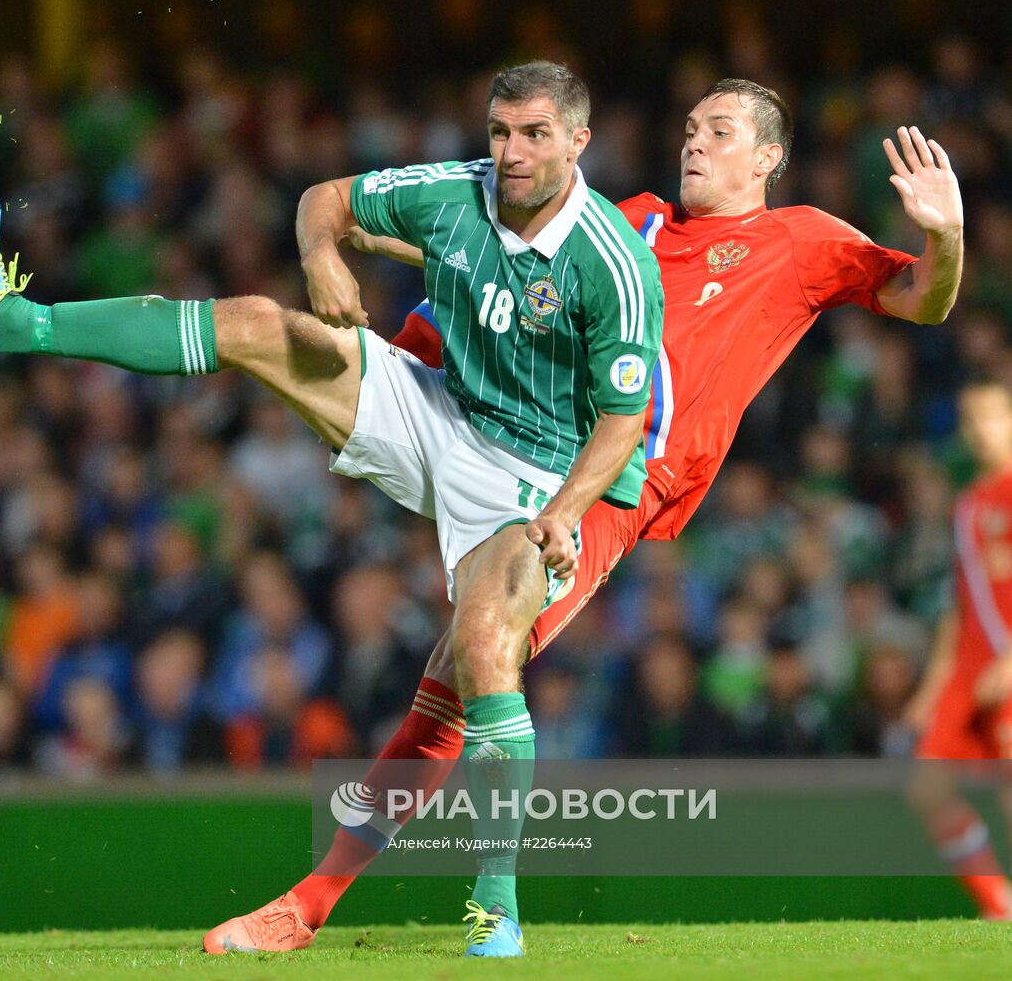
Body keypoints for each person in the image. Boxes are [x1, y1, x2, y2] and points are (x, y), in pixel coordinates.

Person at [0, 60, 664, 957]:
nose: (512, 154)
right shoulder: (452, 194)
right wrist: (323, 256)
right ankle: (5, 323)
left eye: (536, 135)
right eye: (500, 133)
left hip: (536, 477)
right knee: (255, 323)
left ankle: (496, 905)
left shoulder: (613, 263)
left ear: (578, 141)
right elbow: (324, 198)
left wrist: (566, 511)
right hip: (441, 411)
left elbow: (626, 420)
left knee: (482, 650)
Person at [242, 78, 962, 952]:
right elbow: (519, 255)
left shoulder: (801, 239)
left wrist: (947, 233)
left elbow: (925, 297)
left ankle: (426, 905)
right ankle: (327, 905)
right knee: (459, 681)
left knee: (469, 673)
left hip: (612, 484)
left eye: (722, 132)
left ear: (768, 157)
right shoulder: (637, 221)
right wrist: (368, 235)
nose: (695, 142)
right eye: (692, 126)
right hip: (521, 441)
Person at [904, 380, 1012, 921]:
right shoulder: (969, 502)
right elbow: (961, 603)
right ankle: (999, 905)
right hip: (970, 672)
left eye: (991, 418)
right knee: (927, 788)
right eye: (970, 422)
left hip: (1007, 666)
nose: (980, 432)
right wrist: (933, 686)